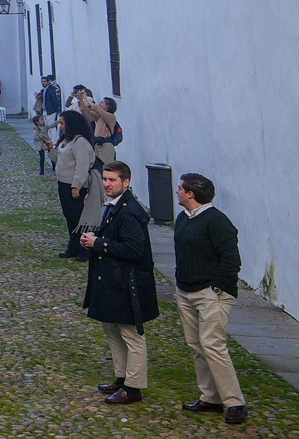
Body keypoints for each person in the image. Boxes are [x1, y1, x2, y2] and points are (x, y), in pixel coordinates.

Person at [81, 161, 158, 405]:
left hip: (128, 284)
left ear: (126, 182)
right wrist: (95, 240)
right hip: (113, 282)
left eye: (112, 180)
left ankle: (133, 387)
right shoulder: (115, 204)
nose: (107, 184)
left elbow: (134, 250)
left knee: (131, 335)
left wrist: (98, 243)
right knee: (113, 331)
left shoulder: (129, 212)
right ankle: (122, 378)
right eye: (105, 179)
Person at [173, 172, 245, 424]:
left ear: (190, 193)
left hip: (211, 294)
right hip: (186, 291)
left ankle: (235, 403)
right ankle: (210, 398)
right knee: (196, 346)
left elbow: (232, 261)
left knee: (213, 344)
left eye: (180, 188)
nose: (177, 191)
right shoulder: (183, 218)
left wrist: (215, 290)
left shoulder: (217, 222)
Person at [55, 111, 100, 261]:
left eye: (62, 123)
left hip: (74, 186)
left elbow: (82, 166)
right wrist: (50, 149)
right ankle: (73, 246)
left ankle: (85, 249)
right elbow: (61, 160)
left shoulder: (80, 142)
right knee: (69, 217)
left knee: (79, 218)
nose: (61, 126)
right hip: (63, 183)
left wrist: (76, 186)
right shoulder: (67, 140)